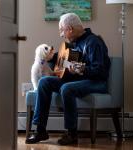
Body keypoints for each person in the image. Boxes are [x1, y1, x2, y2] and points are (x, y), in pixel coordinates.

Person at [25, 13, 111, 145]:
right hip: (78, 80)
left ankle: (72, 134)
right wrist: (52, 58)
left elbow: (99, 71)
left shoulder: (93, 42)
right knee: (44, 82)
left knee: (67, 88)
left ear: (70, 29)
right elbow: (66, 63)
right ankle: (40, 130)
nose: (61, 34)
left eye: (62, 30)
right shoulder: (74, 44)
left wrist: (81, 69)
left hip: (97, 82)